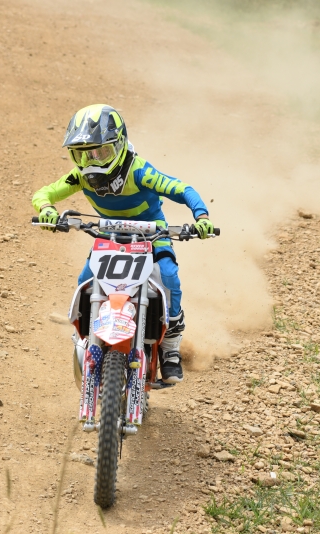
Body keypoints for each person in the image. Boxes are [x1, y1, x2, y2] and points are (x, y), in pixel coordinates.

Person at [31, 104, 214, 384]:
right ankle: (87, 338)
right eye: (83, 154)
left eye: (101, 152)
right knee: (85, 281)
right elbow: (44, 193)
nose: (91, 161)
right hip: (110, 235)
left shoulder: (139, 171)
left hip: (152, 233)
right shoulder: (80, 176)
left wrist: (201, 216)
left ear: (118, 145)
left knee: (168, 276)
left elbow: (181, 189)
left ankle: (170, 348)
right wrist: (46, 209)